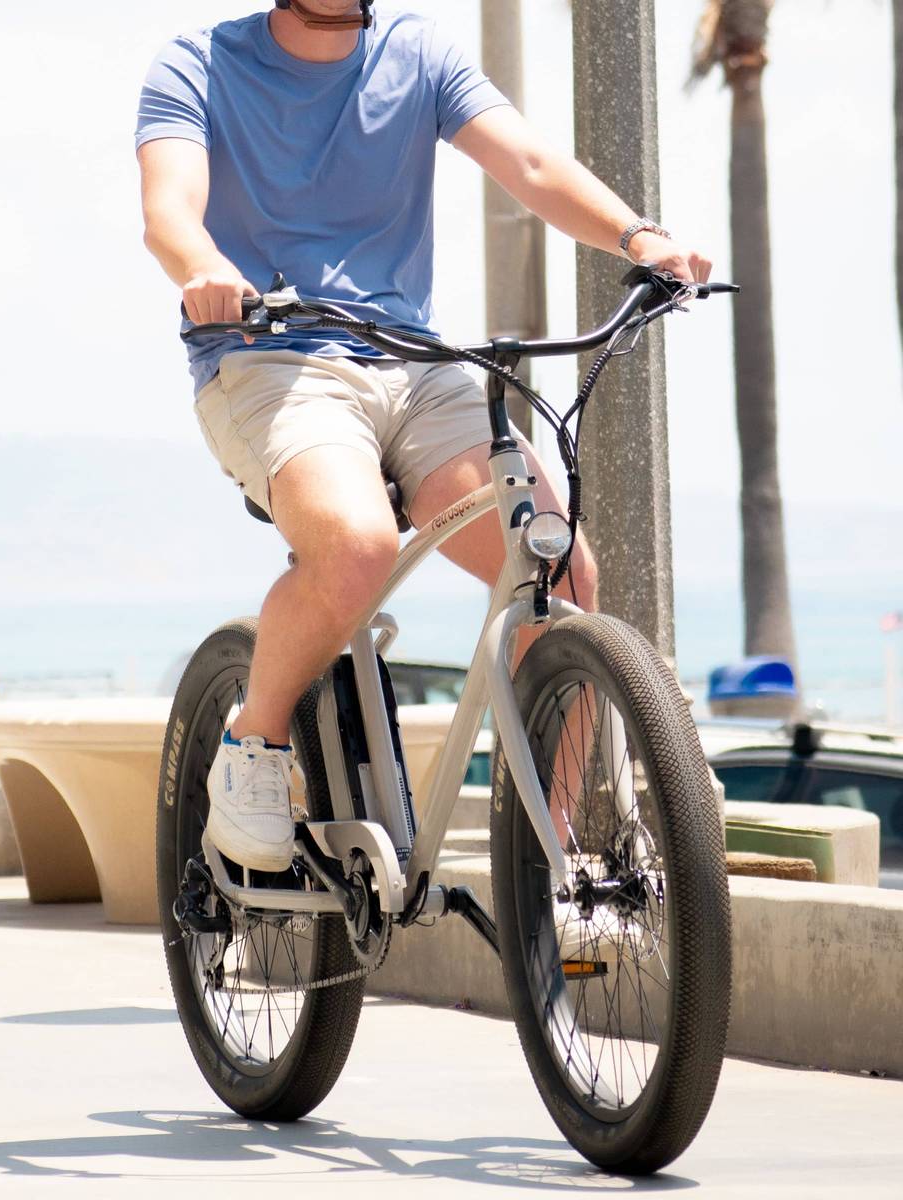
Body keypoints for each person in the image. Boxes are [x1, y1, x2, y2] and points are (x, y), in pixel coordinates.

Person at [135, 0, 711, 872]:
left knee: (559, 571)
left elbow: (525, 159)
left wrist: (638, 236)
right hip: (269, 358)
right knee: (358, 549)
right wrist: (204, 267)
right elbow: (168, 208)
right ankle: (253, 747)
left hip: (415, 363)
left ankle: (541, 859)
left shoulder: (419, 54)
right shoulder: (198, 65)